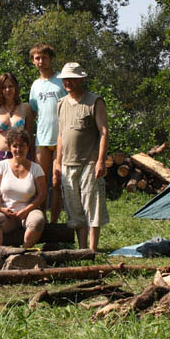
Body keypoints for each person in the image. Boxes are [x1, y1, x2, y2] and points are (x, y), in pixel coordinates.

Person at [53, 62, 109, 252]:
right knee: (74, 210)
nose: (68, 83)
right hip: (68, 165)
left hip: (89, 163)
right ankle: (82, 249)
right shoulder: (61, 103)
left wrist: (101, 160)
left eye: (72, 79)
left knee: (92, 208)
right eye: (65, 79)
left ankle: (93, 250)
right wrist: (57, 161)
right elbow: (60, 135)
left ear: (81, 79)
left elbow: (104, 131)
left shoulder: (94, 101)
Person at [0, 128, 46, 248]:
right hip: (7, 215)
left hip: (28, 213)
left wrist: (27, 210)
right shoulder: (1, 166)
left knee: (38, 219)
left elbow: (42, 194)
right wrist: (1, 208)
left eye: (22, 146)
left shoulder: (36, 168)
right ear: (10, 147)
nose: (18, 149)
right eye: (15, 146)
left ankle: (23, 252)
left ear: (28, 147)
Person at [28, 44, 67, 223]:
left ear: (51, 59)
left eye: (44, 57)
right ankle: (41, 220)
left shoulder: (61, 79)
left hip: (62, 138)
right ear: (33, 61)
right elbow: (34, 110)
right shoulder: (35, 85)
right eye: (37, 58)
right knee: (41, 183)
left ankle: (55, 222)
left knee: (57, 182)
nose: (40, 62)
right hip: (42, 139)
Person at [0, 72, 34, 177]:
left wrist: (32, 158)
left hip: (20, 154)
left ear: (16, 87)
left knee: (20, 189)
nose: (8, 90)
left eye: (11, 86)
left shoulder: (25, 108)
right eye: (4, 87)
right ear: (0, 89)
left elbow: (30, 135)